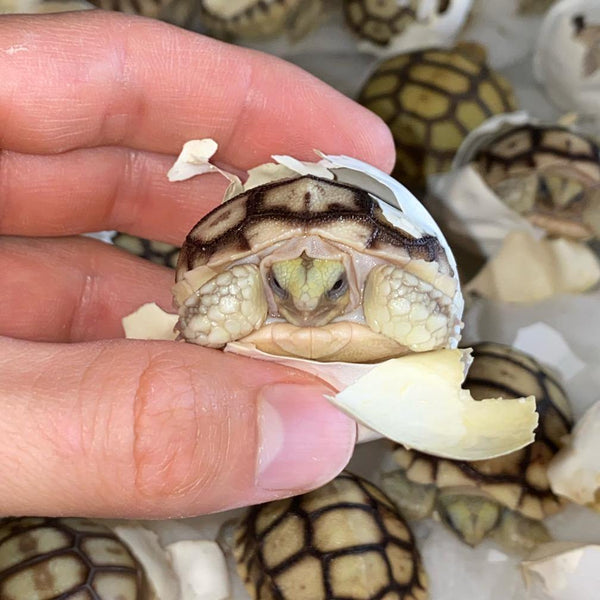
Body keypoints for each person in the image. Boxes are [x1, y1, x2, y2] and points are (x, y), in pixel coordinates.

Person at [0, 9, 394, 518]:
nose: (305, 305)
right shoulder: (247, 287)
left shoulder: (381, 281)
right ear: (265, 276)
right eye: (282, 288)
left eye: (333, 289)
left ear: (353, 277)